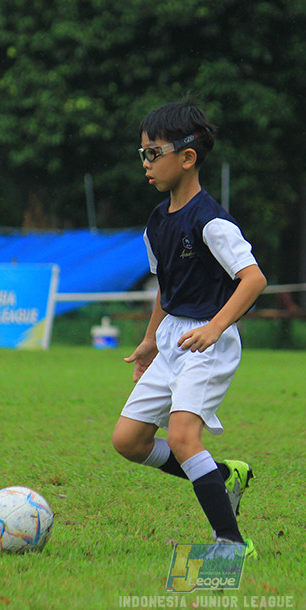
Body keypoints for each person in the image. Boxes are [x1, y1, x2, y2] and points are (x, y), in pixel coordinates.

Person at [111, 100, 266, 557]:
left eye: (152, 153)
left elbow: (253, 279)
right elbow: (166, 286)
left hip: (208, 344)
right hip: (172, 340)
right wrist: (147, 342)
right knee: (129, 441)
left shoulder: (212, 221)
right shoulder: (157, 222)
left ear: (187, 157)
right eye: (142, 154)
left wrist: (216, 327)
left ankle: (231, 542)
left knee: (181, 436)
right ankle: (222, 476)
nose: (146, 164)